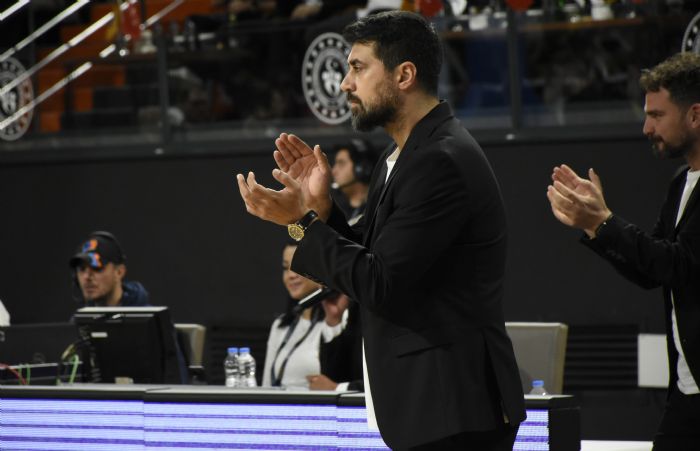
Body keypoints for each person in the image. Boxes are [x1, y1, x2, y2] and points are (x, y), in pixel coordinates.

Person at [237, 10, 524, 450]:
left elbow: (379, 281)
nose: (344, 84)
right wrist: (320, 210)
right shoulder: (404, 156)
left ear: (404, 75)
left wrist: (300, 222)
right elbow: (375, 256)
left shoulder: (438, 161)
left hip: (454, 408)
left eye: (358, 68)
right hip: (437, 407)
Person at [547, 52, 700, 451]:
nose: (647, 127)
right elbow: (651, 271)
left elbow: (680, 265)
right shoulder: (680, 183)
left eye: (657, 115)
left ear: (695, 115)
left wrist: (605, 222)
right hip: (687, 391)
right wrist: (593, 227)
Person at [263, 241, 361, 389]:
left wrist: (333, 322)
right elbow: (266, 386)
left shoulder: (342, 321)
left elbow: (342, 378)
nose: (291, 275)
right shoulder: (281, 325)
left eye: (298, 267)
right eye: (286, 267)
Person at [69, 231, 150, 307]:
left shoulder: (149, 317)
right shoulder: (81, 317)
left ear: (119, 272)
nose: (86, 277)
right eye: (82, 269)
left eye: (96, 268)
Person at [331, 138, 376, 224]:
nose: (334, 171)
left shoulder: (379, 208)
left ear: (362, 168)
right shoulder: (331, 207)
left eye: (341, 163)